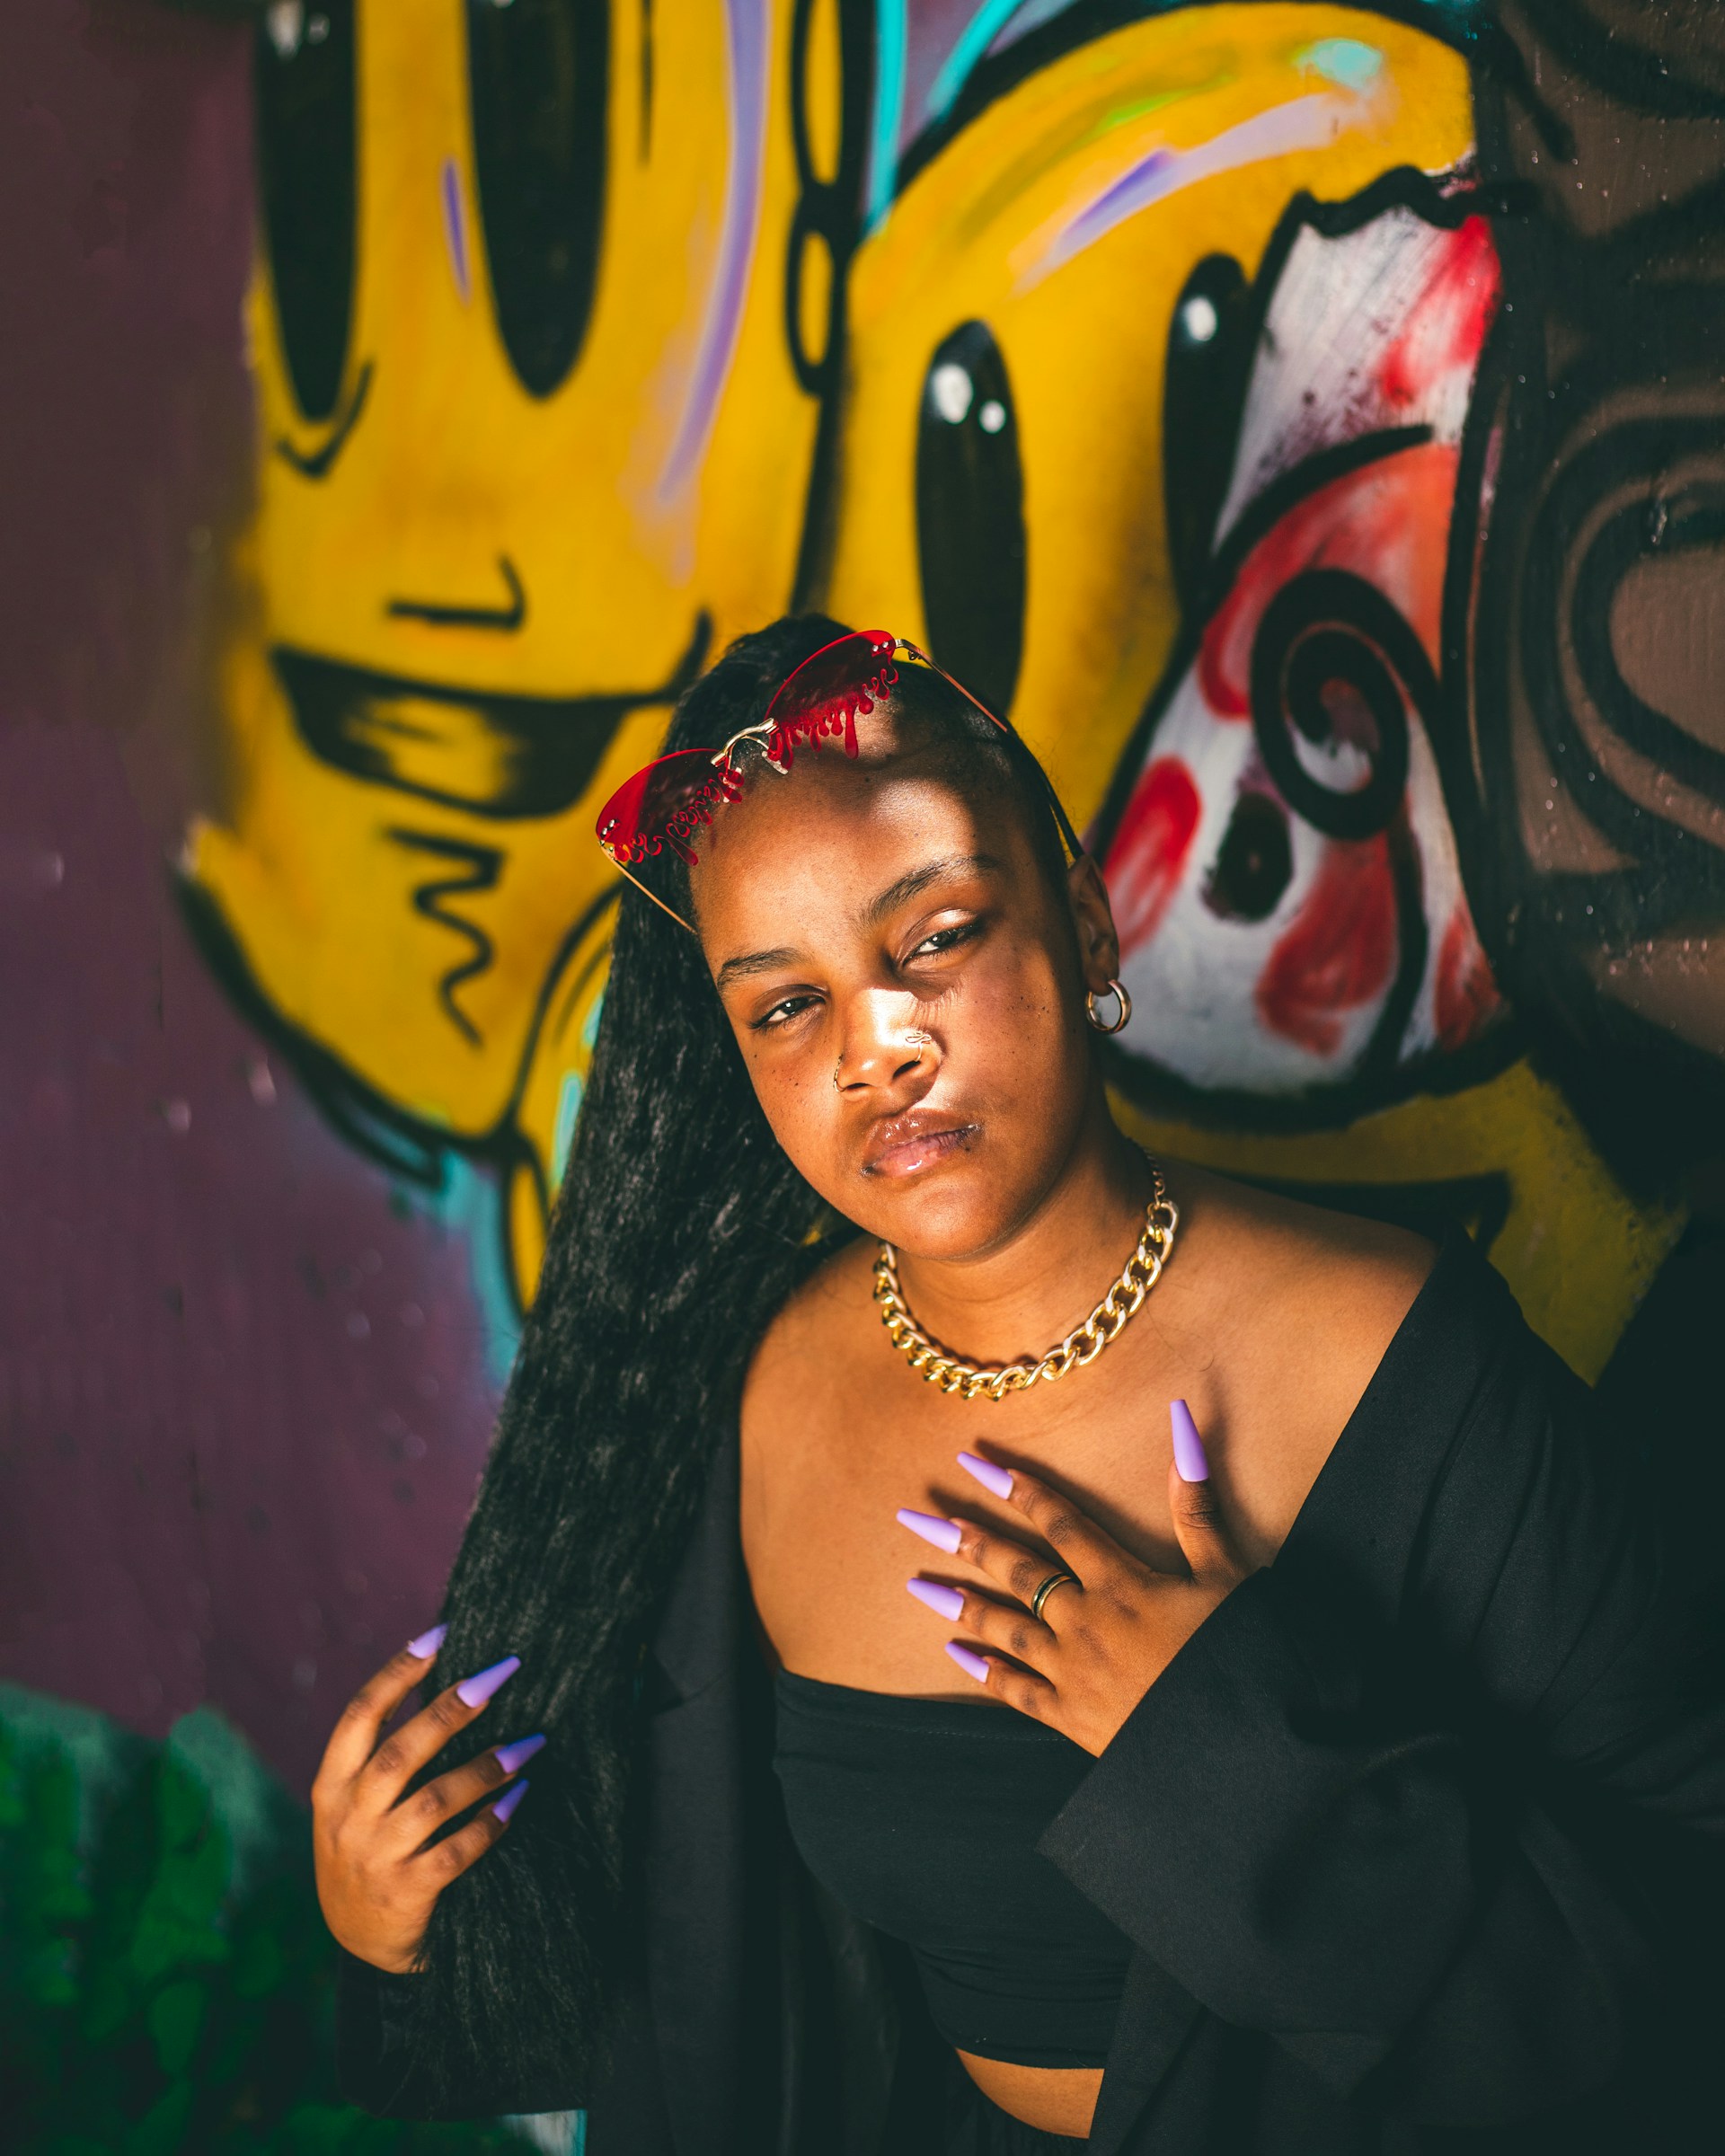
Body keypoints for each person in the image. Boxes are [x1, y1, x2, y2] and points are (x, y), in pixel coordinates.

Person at [313, 617, 1725, 2153]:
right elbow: (691, 1990)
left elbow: (1682, 1976)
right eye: (787, 1005)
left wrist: (1233, 1755)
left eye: (933, 937)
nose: (881, 1047)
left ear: (1086, 923)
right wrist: (392, 1934)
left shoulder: (1406, 1361)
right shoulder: (746, 1393)